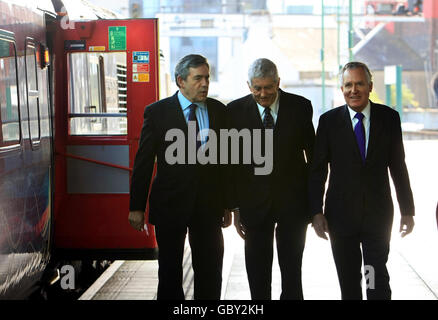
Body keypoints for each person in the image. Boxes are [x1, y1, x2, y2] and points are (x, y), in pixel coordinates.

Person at [128, 54, 232, 300]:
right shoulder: (157, 113)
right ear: (180, 81)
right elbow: (143, 162)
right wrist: (136, 207)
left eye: (207, 77)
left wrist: (229, 204)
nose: (205, 83)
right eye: (198, 78)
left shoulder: (219, 111)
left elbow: (227, 164)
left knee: (210, 271)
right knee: (170, 273)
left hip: (208, 207)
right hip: (170, 204)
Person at [309, 61, 415, 300]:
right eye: (348, 85)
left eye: (359, 84)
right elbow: (317, 171)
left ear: (370, 86)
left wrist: (407, 210)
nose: (353, 90)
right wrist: (315, 212)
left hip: (377, 217)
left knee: (376, 280)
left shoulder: (389, 119)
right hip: (340, 217)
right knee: (349, 285)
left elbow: (398, 166)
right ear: (341, 88)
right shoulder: (328, 122)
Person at [227, 58, 315, 300]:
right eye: (257, 88)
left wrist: (315, 205)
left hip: (293, 206)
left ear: (278, 82)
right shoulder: (234, 112)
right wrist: (234, 207)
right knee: (257, 275)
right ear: (248, 85)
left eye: (268, 87)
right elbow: (231, 165)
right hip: (253, 207)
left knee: (292, 274)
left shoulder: (300, 107)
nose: (263, 94)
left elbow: (313, 158)